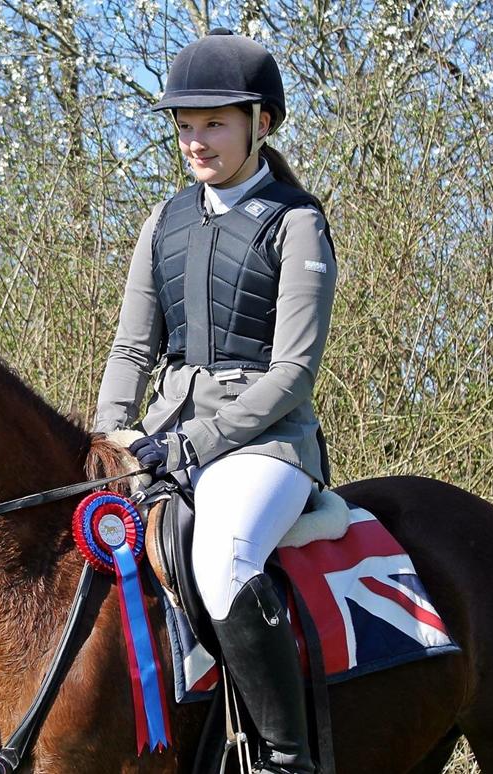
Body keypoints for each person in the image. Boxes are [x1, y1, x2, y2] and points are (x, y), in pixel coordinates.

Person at [93, 28, 337, 774]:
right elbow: (133, 348)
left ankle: (285, 757)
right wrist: (109, 431)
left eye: (214, 124)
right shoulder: (162, 221)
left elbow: (292, 372)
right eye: (185, 126)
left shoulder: (297, 223)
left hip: (266, 446)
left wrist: (196, 444)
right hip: (165, 440)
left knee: (225, 556)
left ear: (260, 124)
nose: (196, 142)